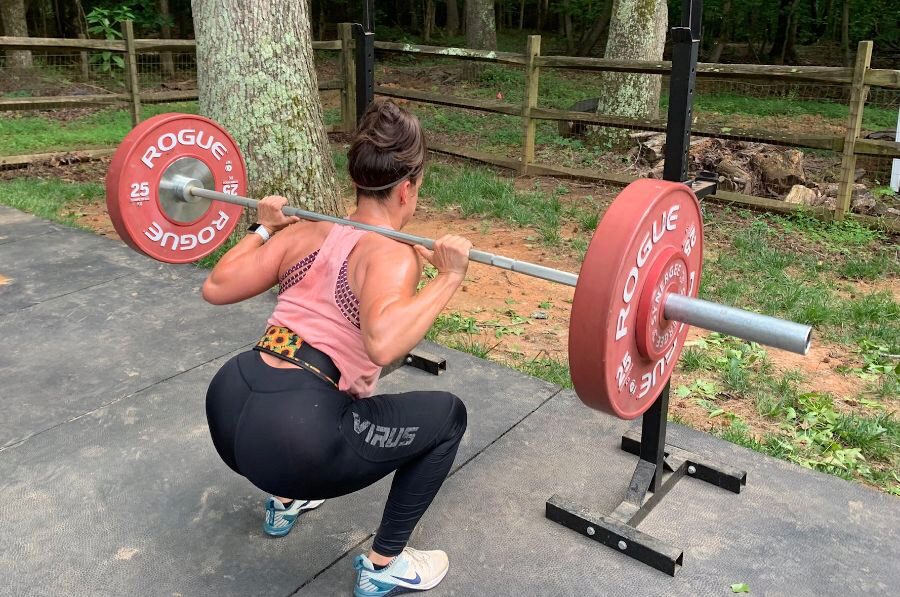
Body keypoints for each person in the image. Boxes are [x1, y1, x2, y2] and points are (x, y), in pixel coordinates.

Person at [202, 99, 471, 596]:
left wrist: (263, 227)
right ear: (409, 187)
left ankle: (284, 502)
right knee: (448, 416)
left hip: (230, 404)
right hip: (294, 437)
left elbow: (217, 285)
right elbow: (385, 343)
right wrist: (449, 277)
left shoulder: (304, 230)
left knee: (319, 396)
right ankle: (384, 564)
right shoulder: (392, 253)